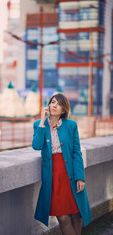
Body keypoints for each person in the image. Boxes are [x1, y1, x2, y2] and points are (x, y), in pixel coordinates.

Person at [32, 93, 92, 235]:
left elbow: (76, 152)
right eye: (52, 102)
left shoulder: (71, 125)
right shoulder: (38, 125)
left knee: (76, 215)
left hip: (71, 173)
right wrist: (42, 121)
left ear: (63, 110)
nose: (54, 105)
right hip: (53, 176)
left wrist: (80, 177)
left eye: (58, 104)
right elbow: (36, 145)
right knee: (63, 217)